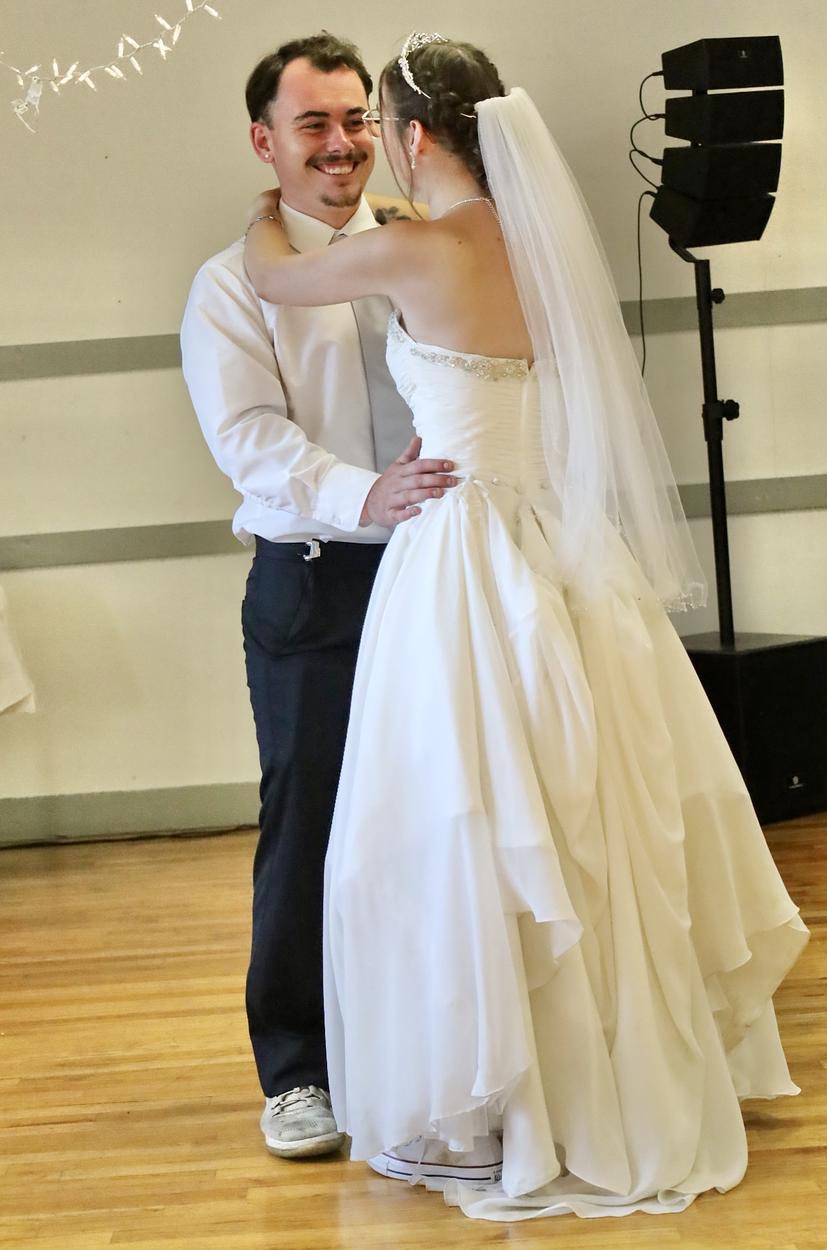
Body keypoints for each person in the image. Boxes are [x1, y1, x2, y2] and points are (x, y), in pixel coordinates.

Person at [243, 32, 810, 1220]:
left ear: (412, 136)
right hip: (555, 540)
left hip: (458, 547)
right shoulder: (540, 241)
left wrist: (263, 210)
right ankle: (601, 1063)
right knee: (580, 804)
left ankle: (498, 1088)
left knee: (462, 811)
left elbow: (277, 278)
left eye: (379, 124)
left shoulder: (412, 247)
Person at [180, 32, 459, 1159]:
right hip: (314, 581)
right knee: (310, 820)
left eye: (354, 121)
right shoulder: (230, 283)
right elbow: (249, 439)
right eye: (313, 125)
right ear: (266, 142)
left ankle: (432, 1045)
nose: (341, 143)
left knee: (444, 809)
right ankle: (297, 1071)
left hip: (443, 568)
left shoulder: (423, 242)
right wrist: (365, 495)